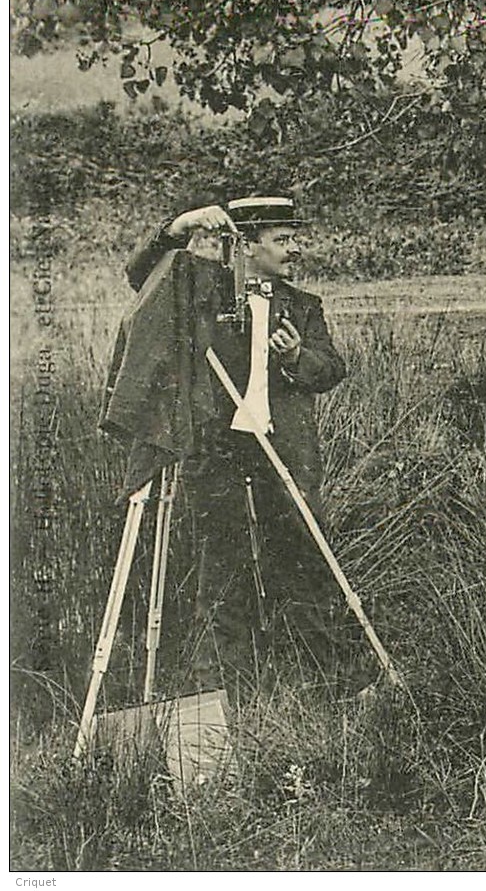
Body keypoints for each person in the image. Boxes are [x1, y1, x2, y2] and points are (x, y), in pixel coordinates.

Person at [102, 195, 350, 698]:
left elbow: (331, 368)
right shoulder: (205, 292)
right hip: (216, 452)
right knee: (219, 571)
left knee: (305, 564)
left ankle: (323, 688)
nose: (294, 250)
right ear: (248, 246)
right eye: (283, 241)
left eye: (295, 239)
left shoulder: (303, 307)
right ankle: (224, 695)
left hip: (284, 455)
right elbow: (142, 275)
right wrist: (181, 225)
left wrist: (298, 356)